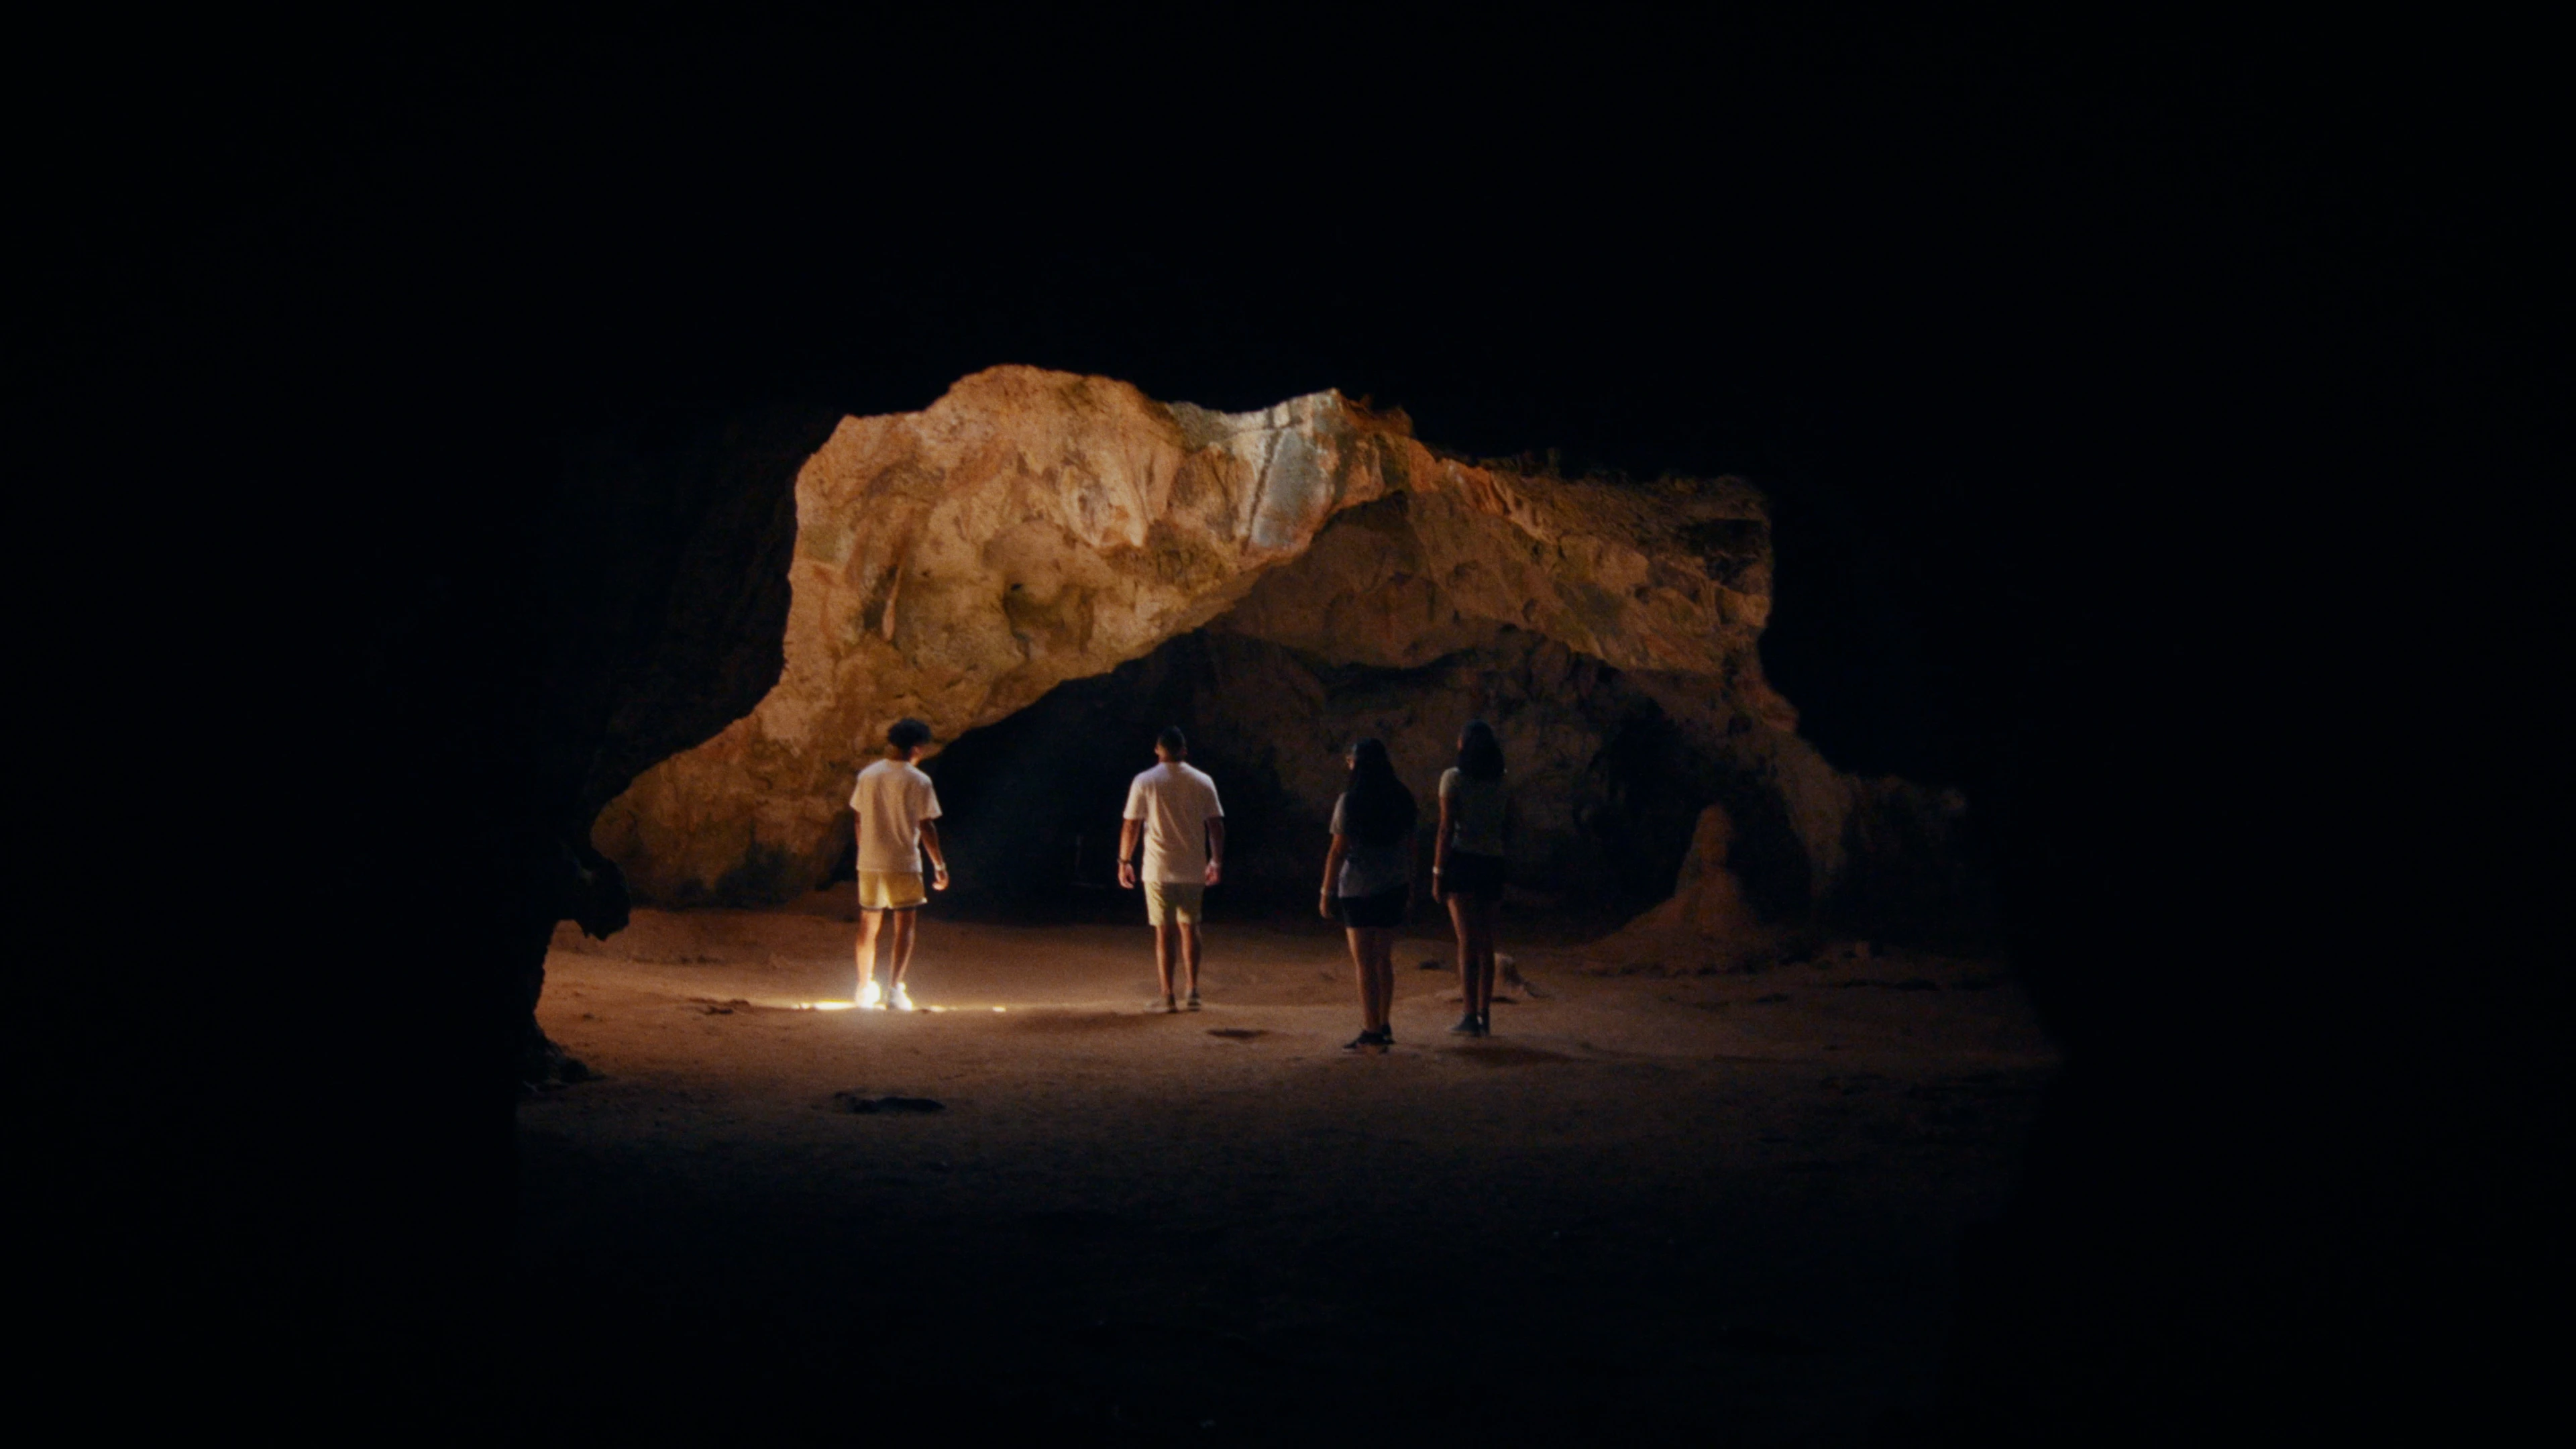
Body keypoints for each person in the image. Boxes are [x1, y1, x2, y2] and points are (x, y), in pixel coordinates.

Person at [1119, 726, 1226, 1012]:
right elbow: (1215, 824)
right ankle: (1192, 991)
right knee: (1191, 927)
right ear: (1184, 751)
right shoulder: (1203, 781)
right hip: (1192, 867)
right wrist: (1215, 860)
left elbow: (1132, 823)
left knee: (1163, 932)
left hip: (1158, 869)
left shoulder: (1145, 781)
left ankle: (1167, 996)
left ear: (1157, 750)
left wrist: (1124, 861)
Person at [1320, 737, 1415, 1051]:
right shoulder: (1402, 797)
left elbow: (1338, 849)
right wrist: (1410, 884)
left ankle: (1371, 1031)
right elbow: (1410, 844)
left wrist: (1326, 890)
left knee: (1364, 962)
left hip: (1358, 886)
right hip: (1394, 884)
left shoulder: (1350, 800)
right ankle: (1384, 1023)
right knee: (1383, 958)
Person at [849, 717, 949, 1010]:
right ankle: (894, 990)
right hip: (904, 861)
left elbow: (858, 816)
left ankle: (864, 987)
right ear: (917, 749)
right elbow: (926, 825)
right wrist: (940, 866)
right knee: (904, 925)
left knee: (868, 924)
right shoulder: (919, 780)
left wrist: (864, 849)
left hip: (869, 861)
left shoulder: (868, 775)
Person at [1435, 720, 1510, 1036]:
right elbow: (1511, 822)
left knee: (1467, 942)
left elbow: (1446, 828)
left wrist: (1438, 872)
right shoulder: (1502, 781)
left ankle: (1468, 1016)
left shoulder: (1453, 779)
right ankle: (1485, 1014)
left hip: (1463, 863)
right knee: (1487, 942)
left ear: (1464, 743)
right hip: (1492, 863)